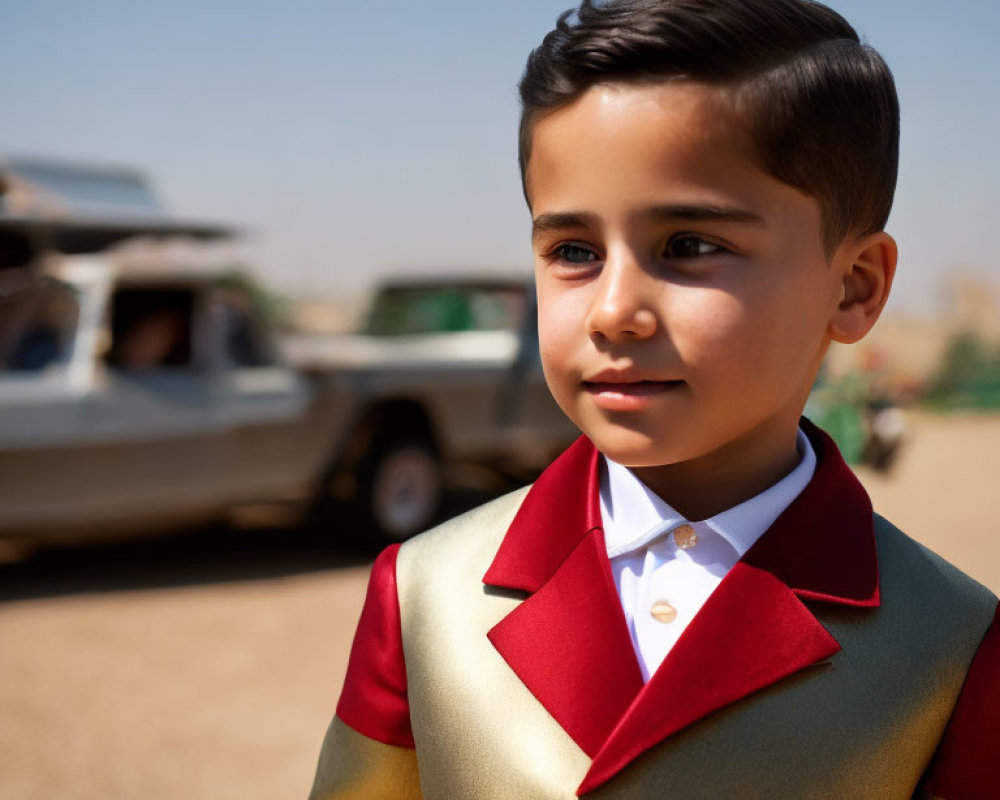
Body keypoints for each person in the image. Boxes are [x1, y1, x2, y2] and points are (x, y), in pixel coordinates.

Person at [309, 1, 999, 797]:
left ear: (853, 285)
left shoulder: (951, 641)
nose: (611, 311)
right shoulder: (425, 592)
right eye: (572, 251)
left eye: (690, 246)